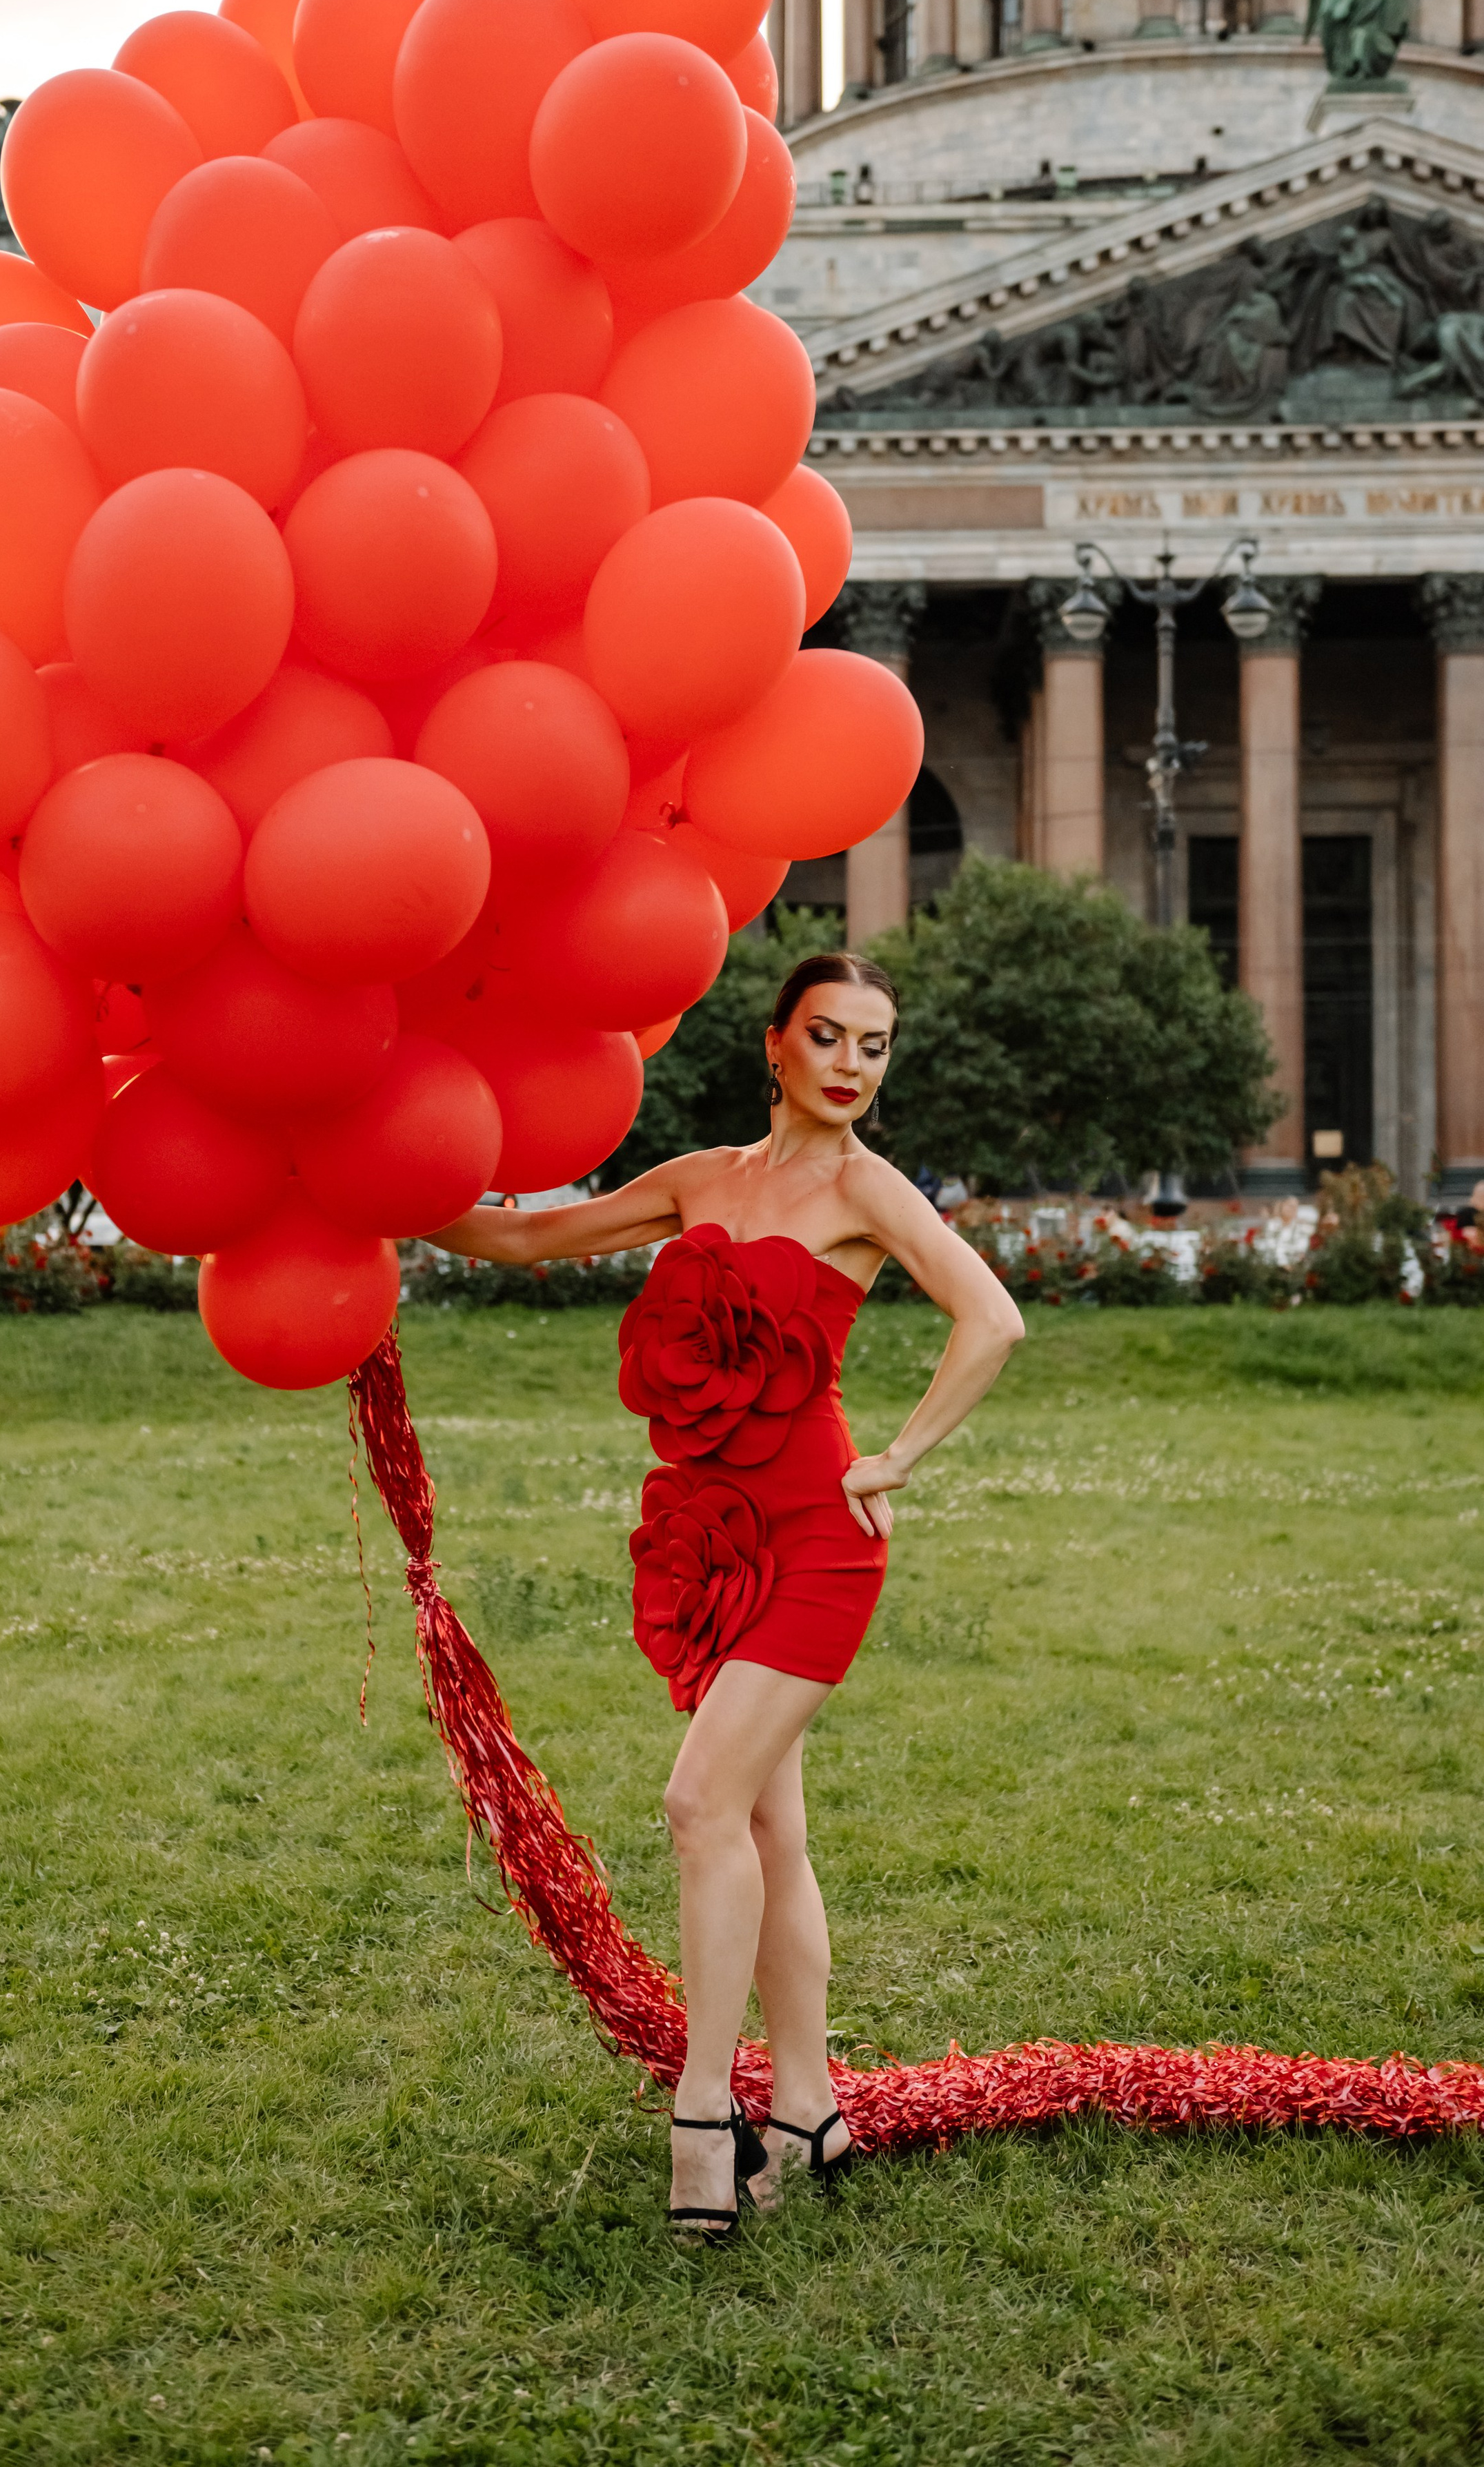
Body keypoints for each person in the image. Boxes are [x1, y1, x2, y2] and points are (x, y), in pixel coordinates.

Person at [431, 952, 1024, 2244]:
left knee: (699, 1804)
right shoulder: (704, 1179)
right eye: (831, 1036)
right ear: (775, 1044)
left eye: (876, 1044)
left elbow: (993, 1320)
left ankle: (711, 2113)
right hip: (714, 1538)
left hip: (819, 1540)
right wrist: (378, 1192)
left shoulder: (867, 1188)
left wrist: (900, 1456)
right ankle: (810, 2105)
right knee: (768, 1833)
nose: (855, 1064)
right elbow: (528, 1235)